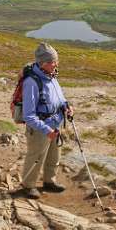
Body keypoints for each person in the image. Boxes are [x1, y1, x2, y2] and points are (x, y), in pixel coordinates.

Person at [13, 43, 69, 199]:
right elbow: (28, 115)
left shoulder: (52, 76)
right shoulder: (32, 82)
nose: (56, 64)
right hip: (40, 129)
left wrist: (66, 106)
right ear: (42, 63)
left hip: (55, 124)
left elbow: (60, 97)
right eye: (52, 62)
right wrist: (47, 130)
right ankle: (28, 185)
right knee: (36, 158)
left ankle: (49, 181)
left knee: (54, 156)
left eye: (56, 61)